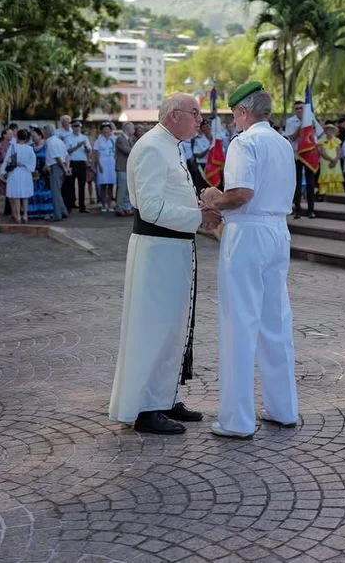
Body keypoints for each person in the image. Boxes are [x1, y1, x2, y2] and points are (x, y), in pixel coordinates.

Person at [109, 93, 220, 435]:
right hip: (158, 250)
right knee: (153, 328)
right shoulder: (153, 148)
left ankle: (165, 396)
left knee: (173, 328)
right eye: (194, 113)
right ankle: (144, 408)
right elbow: (151, 208)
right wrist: (199, 218)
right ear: (174, 115)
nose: (200, 120)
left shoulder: (171, 145)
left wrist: (198, 205)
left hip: (174, 249)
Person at [201, 81, 297, 439]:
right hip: (277, 231)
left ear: (243, 112)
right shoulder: (282, 143)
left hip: (248, 232)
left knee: (239, 323)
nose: (233, 122)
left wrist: (213, 198)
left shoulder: (244, 142)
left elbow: (241, 194)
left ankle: (236, 420)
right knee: (275, 320)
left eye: (234, 115)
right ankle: (283, 408)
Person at [285, 99, 324, 219]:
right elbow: (291, 137)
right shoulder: (290, 121)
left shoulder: (311, 118)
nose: (299, 110)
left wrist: (310, 124)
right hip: (296, 154)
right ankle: (297, 210)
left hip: (309, 154)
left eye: (301, 108)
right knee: (296, 183)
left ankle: (311, 210)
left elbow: (320, 134)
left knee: (310, 183)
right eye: (296, 108)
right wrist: (301, 126)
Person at [0, 129, 36, 223]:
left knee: (16, 195)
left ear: (17, 137)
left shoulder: (13, 147)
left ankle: (18, 215)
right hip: (26, 172)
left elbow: (7, 160)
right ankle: (25, 215)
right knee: (25, 195)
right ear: (26, 138)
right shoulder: (30, 148)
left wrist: (3, 171)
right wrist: (27, 166)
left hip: (15, 172)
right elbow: (33, 161)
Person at [43, 124, 71, 220]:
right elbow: (67, 156)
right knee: (57, 191)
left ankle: (57, 215)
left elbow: (57, 157)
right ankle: (63, 211)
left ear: (47, 132)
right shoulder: (59, 141)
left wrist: (64, 168)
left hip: (56, 167)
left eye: (44, 132)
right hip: (61, 166)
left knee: (55, 192)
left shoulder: (51, 142)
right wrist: (67, 167)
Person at [66, 120, 92, 212]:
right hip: (72, 162)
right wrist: (77, 146)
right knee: (71, 185)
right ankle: (71, 204)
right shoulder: (68, 138)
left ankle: (82, 206)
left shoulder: (84, 137)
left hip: (82, 163)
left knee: (82, 185)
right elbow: (67, 151)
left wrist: (85, 146)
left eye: (78, 127)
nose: (77, 129)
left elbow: (89, 151)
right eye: (75, 127)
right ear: (72, 128)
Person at [28, 127, 54, 220]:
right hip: (33, 174)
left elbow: (51, 157)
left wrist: (47, 165)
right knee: (33, 193)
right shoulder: (30, 147)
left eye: (34, 136)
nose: (33, 138)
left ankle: (46, 212)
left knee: (45, 193)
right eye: (32, 136)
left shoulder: (46, 146)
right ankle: (34, 212)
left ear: (40, 136)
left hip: (44, 174)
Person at [93, 121, 117, 212]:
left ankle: (109, 204)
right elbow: (96, 154)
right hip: (102, 164)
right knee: (103, 185)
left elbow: (116, 152)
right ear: (102, 131)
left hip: (112, 164)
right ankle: (103, 205)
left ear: (110, 130)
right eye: (104, 129)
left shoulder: (114, 139)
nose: (106, 131)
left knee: (110, 185)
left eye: (108, 129)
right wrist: (99, 165)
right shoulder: (98, 141)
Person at [317, 121, 344, 195]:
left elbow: (339, 151)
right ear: (325, 131)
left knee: (336, 176)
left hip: (336, 162)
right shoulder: (321, 140)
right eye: (328, 130)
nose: (330, 131)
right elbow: (321, 152)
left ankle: (337, 194)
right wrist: (331, 159)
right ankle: (325, 193)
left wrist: (335, 160)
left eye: (332, 130)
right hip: (326, 162)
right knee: (326, 175)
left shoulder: (337, 140)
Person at [115, 123, 136, 216]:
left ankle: (127, 207)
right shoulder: (120, 139)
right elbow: (128, 151)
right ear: (127, 129)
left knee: (128, 189)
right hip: (122, 167)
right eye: (133, 129)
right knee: (122, 189)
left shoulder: (130, 139)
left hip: (128, 167)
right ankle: (119, 207)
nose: (134, 130)